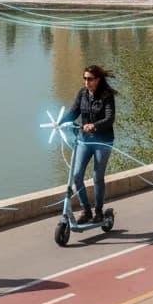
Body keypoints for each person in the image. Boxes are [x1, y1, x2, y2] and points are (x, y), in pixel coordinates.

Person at [64, 65, 117, 224]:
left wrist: (94, 125)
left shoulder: (106, 95)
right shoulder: (82, 94)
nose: (87, 82)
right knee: (77, 175)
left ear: (98, 80)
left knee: (97, 177)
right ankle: (86, 210)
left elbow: (109, 119)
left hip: (103, 141)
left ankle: (99, 212)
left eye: (90, 79)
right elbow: (73, 112)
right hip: (84, 140)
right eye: (85, 78)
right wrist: (59, 122)